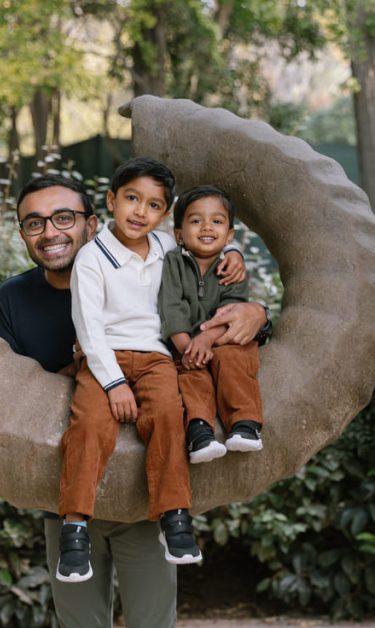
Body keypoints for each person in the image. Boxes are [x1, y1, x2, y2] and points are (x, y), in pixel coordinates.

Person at [0, 172, 266, 628]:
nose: (50, 231)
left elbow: (204, 286)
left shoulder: (158, 259)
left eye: (63, 217)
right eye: (34, 222)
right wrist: (86, 374)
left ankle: (175, 519)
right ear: (22, 232)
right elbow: (14, 394)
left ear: (92, 221)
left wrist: (252, 300)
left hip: (145, 497)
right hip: (69, 496)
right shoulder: (14, 299)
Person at [57, 157, 245, 583]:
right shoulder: (91, 259)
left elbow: (206, 244)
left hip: (158, 358)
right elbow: (89, 328)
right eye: (131, 199)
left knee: (166, 418)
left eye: (154, 205)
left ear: (166, 214)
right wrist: (114, 383)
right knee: (88, 426)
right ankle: (75, 527)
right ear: (111, 200)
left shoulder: (165, 248)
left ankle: (175, 517)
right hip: (103, 357)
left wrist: (232, 250)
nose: (140, 212)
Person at [159, 185, 265, 463]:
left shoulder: (231, 266)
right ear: (179, 234)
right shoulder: (173, 262)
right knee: (189, 374)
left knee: (234, 360)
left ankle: (245, 424)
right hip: (185, 343)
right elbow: (171, 305)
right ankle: (200, 431)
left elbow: (231, 308)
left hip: (224, 338)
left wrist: (206, 340)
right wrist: (186, 348)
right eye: (196, 221)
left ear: (229, 235)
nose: (207, 227)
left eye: (217, 221)